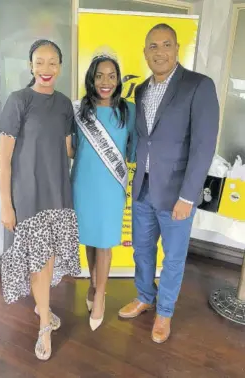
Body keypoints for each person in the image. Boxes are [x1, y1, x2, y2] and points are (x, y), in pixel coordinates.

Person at [119, 24, 219, 343]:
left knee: (173, 256)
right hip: (143, 188)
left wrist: (189, 196)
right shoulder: (142, 90)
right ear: (145, 53)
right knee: (142, 249)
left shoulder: (198, 86)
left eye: (166, 45)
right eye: (153, 46)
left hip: (178, 192)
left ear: (177, 48)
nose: (159, 51)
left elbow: (203, 145)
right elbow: (142, 140)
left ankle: (164, 313)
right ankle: (145, 296)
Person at [0, 39, 81, 360]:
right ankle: (45, 321)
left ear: (60, 66)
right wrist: (6, 203)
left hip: (57, 193)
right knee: (37, 262)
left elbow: (69, 148)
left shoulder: (64, 104)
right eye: (39, 62)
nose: (46, 69)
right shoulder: (19, 101)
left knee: (46, 261)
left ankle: (43, 308)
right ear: (31, 65)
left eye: (52, 63)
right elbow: (4, 159)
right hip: (28, 196)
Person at [71, 54, 137, 331]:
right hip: (84, 182)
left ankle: (100, 296)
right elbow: (71, 146)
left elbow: (132, 147)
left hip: (112, 185)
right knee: (89, 237)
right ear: (92, 78)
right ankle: (91, 283)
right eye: (100, 76)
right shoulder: (80, 110)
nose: (106, 82)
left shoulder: (129, 110)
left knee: (106, 241)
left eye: (112, 76)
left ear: (119, 79)